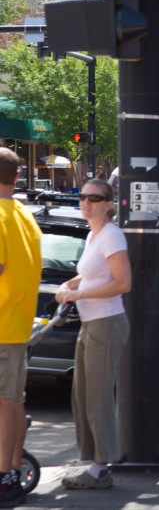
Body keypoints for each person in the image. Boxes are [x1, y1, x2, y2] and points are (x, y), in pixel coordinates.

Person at [55, 179, 132, 491]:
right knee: (83, 394)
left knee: (98, 397)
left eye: (95, 198)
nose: (87, 203)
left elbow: (123, 283)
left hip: (107, 322)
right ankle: (92, 460)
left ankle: (102, 467)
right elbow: (88, 273)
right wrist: (71, 285)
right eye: (83, 197)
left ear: (109, 203)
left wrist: (79, 295)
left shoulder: (112, 235)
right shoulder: (93, 235)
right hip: (92, 323)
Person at [0, 149, 42, 502]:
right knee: (12, 402)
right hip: (16, 324)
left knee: (3, 404)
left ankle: (4, 476)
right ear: (16, 177)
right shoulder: (26, 217)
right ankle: (12, 470)